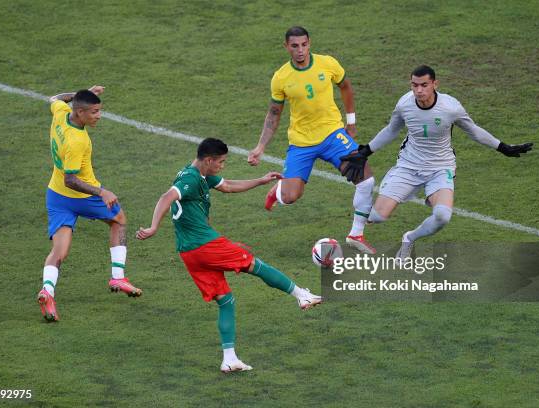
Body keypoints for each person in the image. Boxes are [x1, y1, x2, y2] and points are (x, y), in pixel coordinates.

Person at [136, 138, 322, 373]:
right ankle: (301, 295)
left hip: (189, 252)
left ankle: (229, 358)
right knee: (254, 263)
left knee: (226, 301)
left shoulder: (200, 174)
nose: (222, 166)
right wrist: (153, 227)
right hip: (204, 246)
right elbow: (166, 197)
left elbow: (228, 186)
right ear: (208, 160)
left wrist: (260, 180)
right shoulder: (190, 179)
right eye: (221, 162)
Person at [340, 65, 533, 261]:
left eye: (424, 85)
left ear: (435, 84)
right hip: (408, 166)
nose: (419, 91)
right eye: (414, 85)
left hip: (440, 168)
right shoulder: (404, 105)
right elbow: (391, 130)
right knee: (377, 217)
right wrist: (366, 151)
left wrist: (504, 148)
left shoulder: (451, 108)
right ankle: (360, 224)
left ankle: (409, 239)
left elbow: (473, 131)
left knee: (442, 216)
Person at [247, 26, 377, 254]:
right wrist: (261, 146)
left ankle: (356, 233)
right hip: (301, 142)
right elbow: (274, 113)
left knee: (365, 178)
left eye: (304, 45)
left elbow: (345, 87)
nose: (300, 50)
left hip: (332, 135)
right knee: (290, 197)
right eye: (294, 46)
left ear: (310, 43)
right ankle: (279, 191)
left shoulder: (327, 64)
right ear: (286, 47)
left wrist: (351, 122)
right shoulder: (281, 77)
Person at [38, 86, 142, 322]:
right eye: (94, 112)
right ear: (81, 113)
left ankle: (47, 291)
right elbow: (71, 179)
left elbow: (54, 98)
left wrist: (79, 92)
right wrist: (102, 192)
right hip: (82, 195)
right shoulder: (77, 141)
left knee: (59, 251)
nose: (99, 116)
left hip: (56, 195)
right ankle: (117, 276)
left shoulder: (61, 112)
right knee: (119, 219)